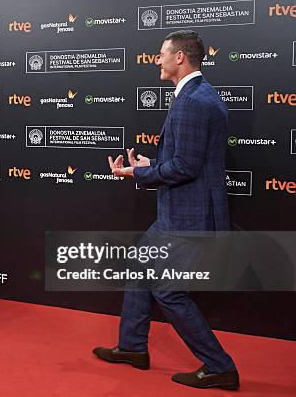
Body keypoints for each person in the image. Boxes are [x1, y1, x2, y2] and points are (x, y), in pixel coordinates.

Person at [95, 30, 239, 390]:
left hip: (188, 217)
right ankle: (132, 347)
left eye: (161, 54)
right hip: (176, 212)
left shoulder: (192, 101)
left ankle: (220, 366)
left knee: (168, 292)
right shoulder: (196, 95)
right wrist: (152, 162)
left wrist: (140, 172)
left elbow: (186, 168)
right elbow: (188, 160)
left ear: (180, 58)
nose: (155, 60)